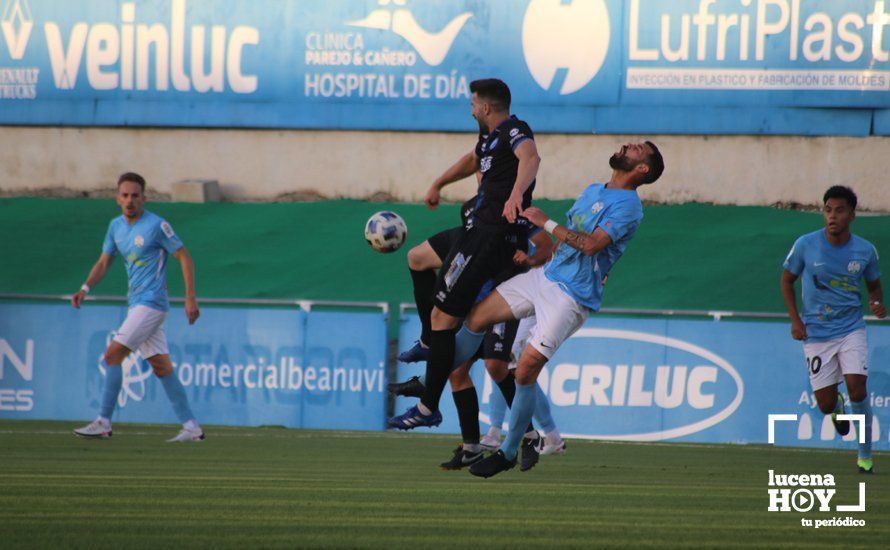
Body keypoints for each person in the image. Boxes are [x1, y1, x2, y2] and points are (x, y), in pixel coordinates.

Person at [447, 141, 665, 477]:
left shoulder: (630, 207)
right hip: (544, 277)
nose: (627, 146)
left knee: (525, 370)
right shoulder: (595, 189)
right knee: (476, 318)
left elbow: (591, 245)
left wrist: (545, 223)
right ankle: (435, 378)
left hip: (570, 296)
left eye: (636, 149)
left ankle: (509, 451)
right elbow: (567, 239)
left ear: (642, 170)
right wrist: (537, 257)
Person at [388, 78, 541, 430]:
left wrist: (518, 192)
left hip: (491, 236)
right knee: (418, 258)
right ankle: (429, 342)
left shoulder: (514, 129)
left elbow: (530, 158)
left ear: (486, 107)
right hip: (475, 231)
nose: (471, 109)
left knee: (447, 322)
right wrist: (438, 183)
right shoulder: (487, 139)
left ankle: (429, 407)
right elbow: (471, 160)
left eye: (473, 104)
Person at [71, 172, 205, 443]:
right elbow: (104, 262)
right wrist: (85, 288)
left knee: (112, 356)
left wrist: (190, 297)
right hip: (137, 305)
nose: (130, 200)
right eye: (125, 195)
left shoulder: (157, 226)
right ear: (117, 198)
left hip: (152, 304)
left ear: (144, 198)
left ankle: (104, 421)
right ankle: (191, 426)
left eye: (135, 195)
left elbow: (184, 256)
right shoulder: (115, 227)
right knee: (161, 367)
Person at [780, 185, 884, 474]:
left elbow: (873, 285)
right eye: (827, 210)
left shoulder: (865, 251)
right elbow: (787, 281)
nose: (832, 216)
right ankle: (836, 407)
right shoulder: (805, 245)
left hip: (851, 328)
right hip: (817, 333)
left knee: (857, 387)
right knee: (825, 405)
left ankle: (865, 456)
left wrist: (876, 302)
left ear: (852, 215)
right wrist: (795, 320)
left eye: (839, 210)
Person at [482, 314, 565, 456]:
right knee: (501, 363)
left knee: (512, 366)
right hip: (511, 306)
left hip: (526, 306)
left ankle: (551, 435)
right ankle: (494, 432)